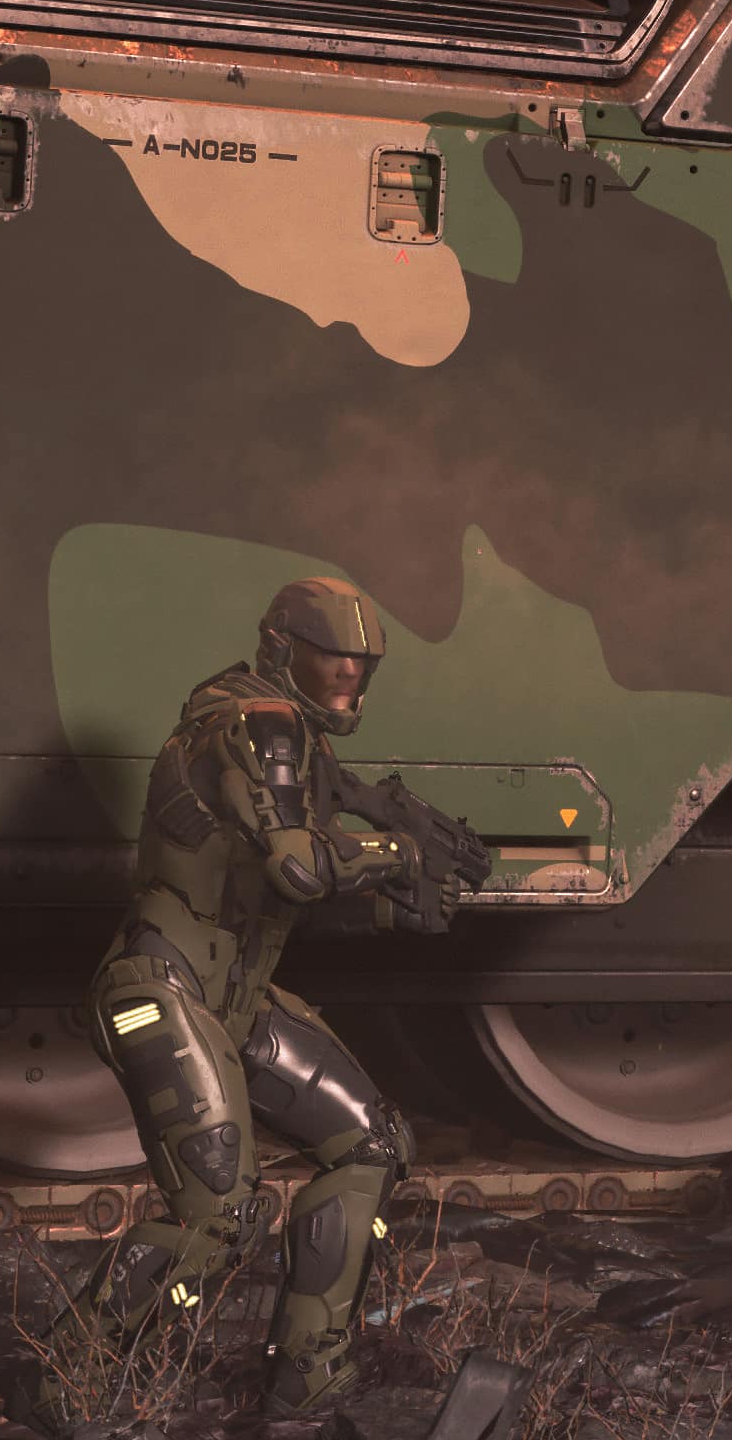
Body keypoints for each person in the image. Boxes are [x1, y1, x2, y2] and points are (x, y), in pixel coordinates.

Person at [92, 574, 480, 1397]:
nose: (349, 675)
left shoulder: (294, 740)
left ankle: (310, 1370)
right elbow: (300, 870)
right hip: (163, 988)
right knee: (218, 1213)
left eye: (362, 664)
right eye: (331, 657)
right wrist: (399, 855)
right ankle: (74, 1378)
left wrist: (391, 910)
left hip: (232, 998)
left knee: (372, 1146)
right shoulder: (258, 724)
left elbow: (276, 898)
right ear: (281, 649)